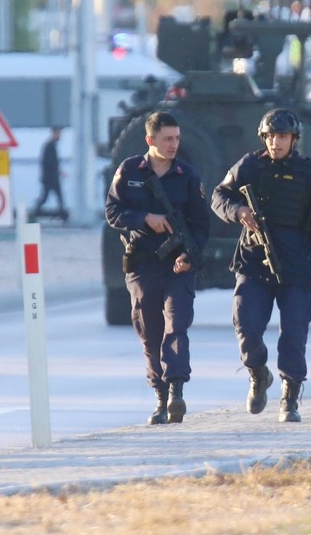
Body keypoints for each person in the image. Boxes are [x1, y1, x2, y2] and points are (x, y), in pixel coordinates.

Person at [210, 109, 311, 424]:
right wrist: (238, 210)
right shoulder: (249, 166)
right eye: (270, 136)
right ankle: (258, 373)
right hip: (254, 261)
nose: (275, 142)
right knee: (247, 324)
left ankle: (291, 394)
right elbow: (218, 196)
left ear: (293, 139)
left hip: (295, 265)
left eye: (282, 136)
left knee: (294, 332)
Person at [105, 111, 210, 425]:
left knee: (176, 324)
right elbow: (112, 212)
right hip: (142, 263)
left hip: (178, 264)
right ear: (150, 140)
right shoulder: (129, 171)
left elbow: (202, 226)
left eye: (176, 138)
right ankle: (160, 397)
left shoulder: (188, 177)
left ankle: (177, 391)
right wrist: (144, 219)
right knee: (149, 333)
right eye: (167, 139)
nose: (174, 144)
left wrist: (189, 256)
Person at [31, 127, 68, 221]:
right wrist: (57, 172)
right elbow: (50, 163)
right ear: (54, 133)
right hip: (50, 177)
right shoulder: (50, 146)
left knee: (53, 196)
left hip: (50, 176)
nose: (60, 136)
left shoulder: (50, 145)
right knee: (51, 196)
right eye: (59, 134)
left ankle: (35, 213)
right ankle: (34, 213)